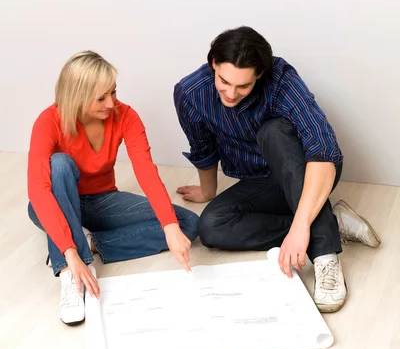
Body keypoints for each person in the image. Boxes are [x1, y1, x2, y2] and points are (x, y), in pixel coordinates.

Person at [174, 26, 381, 313]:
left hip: (310, 171)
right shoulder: (190, 93)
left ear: (258, 75)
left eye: (243, 86)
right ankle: (332, 222)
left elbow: (322, 150)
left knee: (273, 132)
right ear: (213, 65)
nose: (231, 94)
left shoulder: (282, 79)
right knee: (210, 227)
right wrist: (208, 190)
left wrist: (300, 227)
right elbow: (203, 146)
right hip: (261, 181)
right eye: (224, 81)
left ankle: (325, 254)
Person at [28, 51, 199, 325]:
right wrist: (70, 253)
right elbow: (38, 189)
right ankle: (70, 272)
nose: (111, 102)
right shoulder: (48, 122)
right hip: (54, 201)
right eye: (101, 98)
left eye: (113, 92)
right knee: (59, 164)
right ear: (77, 96)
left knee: (187, 224)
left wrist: (169, 226)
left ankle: (91, 242)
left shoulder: (125, 115)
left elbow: (146, 171)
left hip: (102, 202)